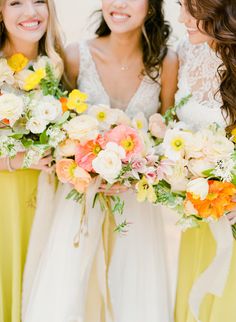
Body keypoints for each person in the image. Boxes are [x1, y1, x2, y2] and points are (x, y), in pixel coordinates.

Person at [23, 1, 178, 321]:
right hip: (78, 200)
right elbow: (57, 133)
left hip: (135, 203)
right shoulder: (75, 56)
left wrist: (136, 170)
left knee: (135, 296)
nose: (119, 4)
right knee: (66, 294)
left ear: (151, 7)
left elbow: (169, 133)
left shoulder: (166, 63)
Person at [0, 0, 64, 321]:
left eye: (39, 1)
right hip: (5, 204)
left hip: (51, 200)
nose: (31, 12)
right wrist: (18, 159)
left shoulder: (60, 66)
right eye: (16, 3)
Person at [174, 1, 236, 321]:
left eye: (192, 8)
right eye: (179, 5)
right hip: (199, 214)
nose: (182, 18)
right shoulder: (185, 49)